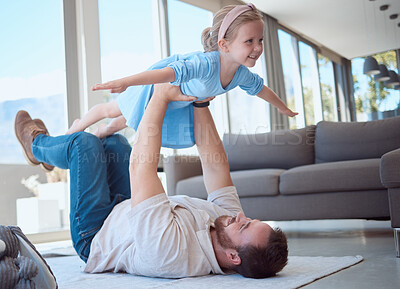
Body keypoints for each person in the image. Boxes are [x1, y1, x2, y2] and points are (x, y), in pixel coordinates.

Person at [14, 83, 288, 279]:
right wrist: (200, 101)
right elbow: (215, 164)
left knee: (84, 144)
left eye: (244, 227)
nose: (240, 216)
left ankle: (36, 144)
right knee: (115, 143)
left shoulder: (172, 255)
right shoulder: (228, 223)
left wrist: (159, 97)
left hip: (96, 232)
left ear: (233, 258)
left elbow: (141, 168)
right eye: (249, 219)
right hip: (126, 210)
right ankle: (55, 154)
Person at [65, 3, 298, 148]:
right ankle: (78, 125)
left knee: (131, 118)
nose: (257, 48)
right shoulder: (205, 64)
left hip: (176, 102)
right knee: (114, 109)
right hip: (158, 86)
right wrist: (126, 82)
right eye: (249, 41)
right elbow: (166, 73)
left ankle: (102, 132)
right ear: (224, 45)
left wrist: (282, 108)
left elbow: (261, 90)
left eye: (260, 40)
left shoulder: (241, 75)